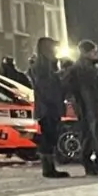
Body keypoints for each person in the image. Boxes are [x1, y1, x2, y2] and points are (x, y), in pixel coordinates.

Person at [27, 36, 70, 178]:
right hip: (48, 108)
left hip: (49, 106)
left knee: (50, 136)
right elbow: (47, 88)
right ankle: (48, 168)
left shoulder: (47, 65)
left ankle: (49, 167)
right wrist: (60, 79)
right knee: (48, 137)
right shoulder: (42, 66)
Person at [66, 41, 98, 174]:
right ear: (85, 53)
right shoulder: (80, 69)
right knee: (90, 135)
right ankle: (89, 163)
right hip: (88, 107)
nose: (96, 54)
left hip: (97, 105)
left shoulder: (94, 67)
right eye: (93, 52)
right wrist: (79, 105)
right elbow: (73, 89)